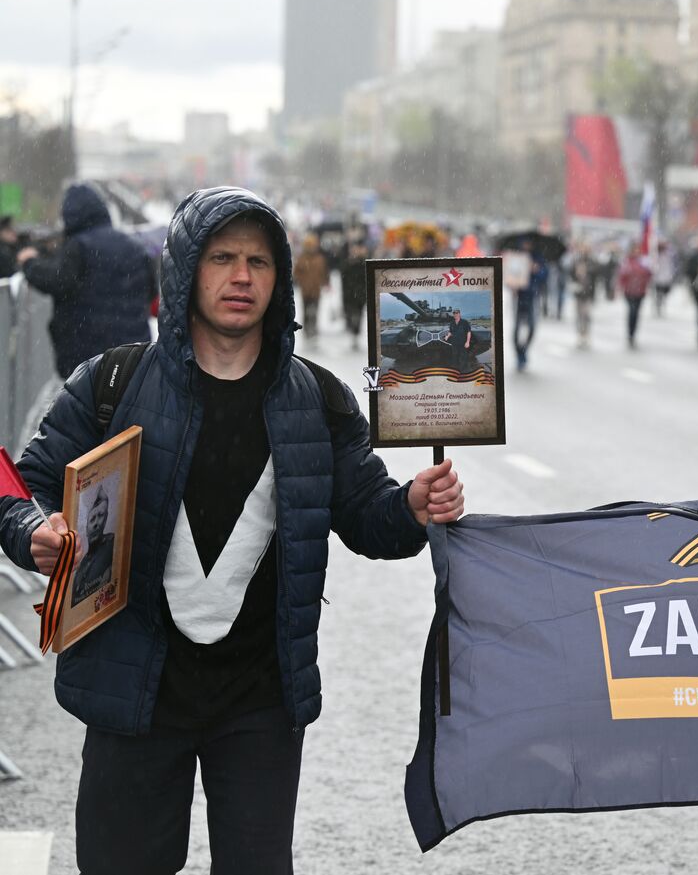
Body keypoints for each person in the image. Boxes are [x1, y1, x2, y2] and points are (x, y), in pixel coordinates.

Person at [0, 186, 464, 874]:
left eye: (258, 261)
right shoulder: (111, 383)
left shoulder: (320, 398)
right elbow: (20, 486)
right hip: (135, 693)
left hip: (260, 700)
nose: (241, 276)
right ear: (186, 267)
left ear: (280, 280)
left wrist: (413, 507)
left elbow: (368, 514)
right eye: (222, 257)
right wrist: (35, 528)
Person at [15, 182, 154, 378]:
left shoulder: (79, 246)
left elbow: (57, 280)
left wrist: (29, 263)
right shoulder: (134, 245)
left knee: (90, 407)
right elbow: (151, 290)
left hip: (88, 356)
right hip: (135, 354)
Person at [70, 484, 116, 604]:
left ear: (106, 519)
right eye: (92, 519)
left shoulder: (112, 543)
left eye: (100, 516)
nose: (96, 523)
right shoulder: (82, 562)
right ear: (86, 527)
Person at [292, 232, 329, 338]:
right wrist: (301, 280)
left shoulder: (320, 259)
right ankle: (307, 329)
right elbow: (296, 273)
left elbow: (324, 272)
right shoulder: (302, 258)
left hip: (316, 290)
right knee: (306, 309)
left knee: (315, 309)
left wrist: (326, 282)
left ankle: (313, 328)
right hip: (306, 290)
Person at [616, 245, 652, 349]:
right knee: (632, 311)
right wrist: (620, 287)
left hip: (640, 292)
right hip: (629, 291)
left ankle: (633, 333)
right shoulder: (626, 262)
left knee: (636, 313)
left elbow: (649, 275)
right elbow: (622, 276)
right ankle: (630, 333)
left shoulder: (644, 262)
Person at [341, 231, 370, 336]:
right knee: (353, 313)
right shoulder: (348, 263)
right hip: (351, 294)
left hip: (360, 294)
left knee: (358, 314)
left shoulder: (365, 263)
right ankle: (353, 329)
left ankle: (355, 331)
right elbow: (344, 278)